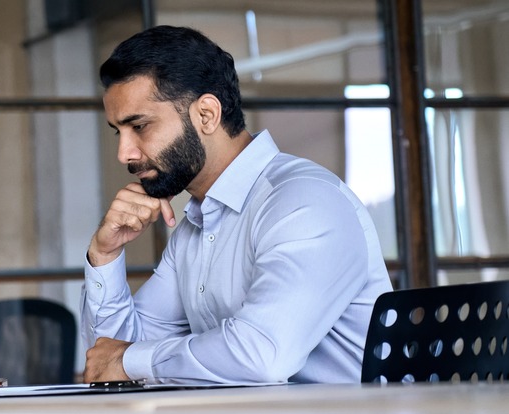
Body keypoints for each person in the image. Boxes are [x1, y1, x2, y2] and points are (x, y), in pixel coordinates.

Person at [80, 25, 392, 385]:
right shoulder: (194, 229)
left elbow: (262, 357)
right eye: (119, 132)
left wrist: (129, 360)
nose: (124, 154)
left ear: (207, 115)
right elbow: (111, 358)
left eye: (140, 126)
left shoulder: (304, 203)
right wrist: (105, 255)